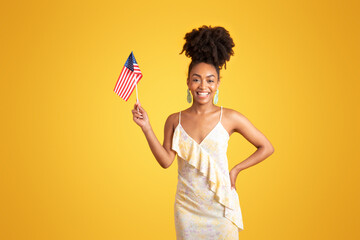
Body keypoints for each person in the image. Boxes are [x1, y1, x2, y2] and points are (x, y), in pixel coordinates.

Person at [131, 25, 274, 240]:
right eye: (196, 79)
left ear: (217, 84)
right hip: (187, 209)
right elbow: (166, 161)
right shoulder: (174, 120)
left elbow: (267, 147)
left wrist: (235, 170)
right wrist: (146, 127)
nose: (202, 86)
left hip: (220, 208)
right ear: (188, 82)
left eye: (210, 80)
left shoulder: (230, 117)